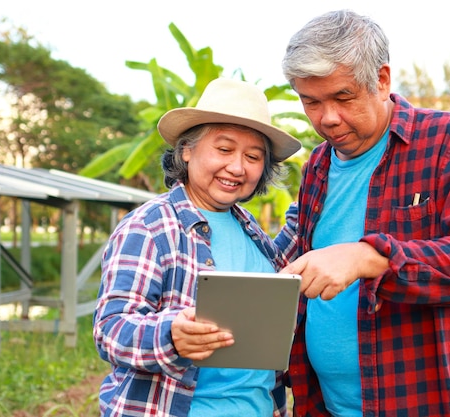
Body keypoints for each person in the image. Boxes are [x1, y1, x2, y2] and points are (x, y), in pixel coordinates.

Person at [274, 9, 450, 417]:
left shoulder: (447, 140)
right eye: (311, 101)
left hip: (426, 401)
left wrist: (371, 258)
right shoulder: (316, 169)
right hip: (325, 404)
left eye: (343, 98)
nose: (327, 118)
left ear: (380, 80)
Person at [93, 77, 302, 417]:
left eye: (253, 156)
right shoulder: (149, 227)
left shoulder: (254, 234)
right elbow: (111, 329)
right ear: (187, 150)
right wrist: (171, 334)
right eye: (224, 149)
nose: (237, 167)